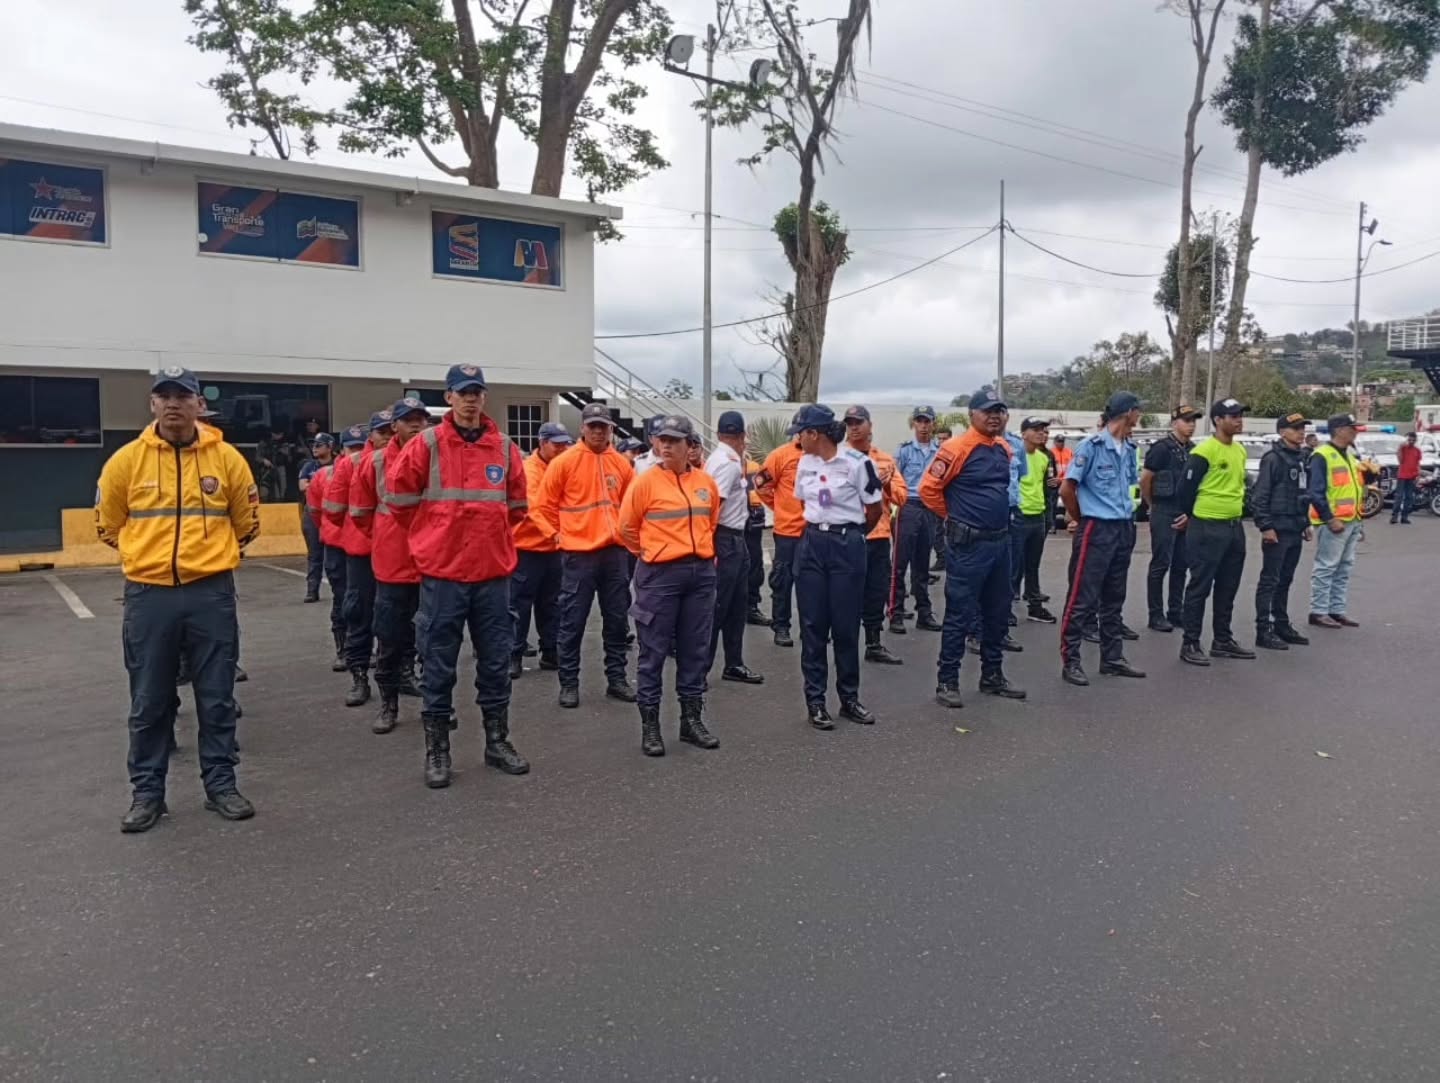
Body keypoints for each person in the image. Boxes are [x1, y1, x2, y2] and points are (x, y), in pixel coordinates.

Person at [96, 366, 260, 833]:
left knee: (216, 697)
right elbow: (108, 525)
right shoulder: (125, 462)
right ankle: (147, 795)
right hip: (150, 596)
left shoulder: (227, 459)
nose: (173, 404)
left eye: (182, 396)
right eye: (164, 396)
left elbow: (247, 522)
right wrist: (144, 556)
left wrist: (208, 559)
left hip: (211, 594)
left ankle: (221, 786)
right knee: (149, 701)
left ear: (198, 405)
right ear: (151, 404)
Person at [384, 364, 530, 788]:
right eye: (462, 392)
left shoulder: (504, 448)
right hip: (443, 576)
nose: (470, 399)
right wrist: (433, 537)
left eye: (477, 392)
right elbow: (399, 502)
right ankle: (438, 751)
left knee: (496, 662)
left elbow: (517, 508)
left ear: (484, 398)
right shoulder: (426, 444)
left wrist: (489, 540)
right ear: (448, 397)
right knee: (437, 663)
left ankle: (497, 741)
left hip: (491, 575)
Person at [619, 415, 722, 756]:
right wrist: (652, 552)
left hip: (700, 573)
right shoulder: (644, 483)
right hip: (659, 575)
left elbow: (711, 521)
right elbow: (627, 529)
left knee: (695, 649)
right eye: (661, 439)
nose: (665, 445)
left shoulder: (706, 482)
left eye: (674, 440)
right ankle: (650, 727)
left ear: (689, 445)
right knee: (653, 652)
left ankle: (691, 721)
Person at [921, 389, 1027, 709]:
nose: (994, 416)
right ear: (972, 415)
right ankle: (947, 680)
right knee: (960, 613)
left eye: (999, 411)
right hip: (968, 544)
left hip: (1000, 541)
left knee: (997, 613)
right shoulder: (955, 448)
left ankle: (992, 676)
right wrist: (955, 518)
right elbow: (929, 489)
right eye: (987, 411)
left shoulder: (1004, 448)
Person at [533, 401, 637, 707]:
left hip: (615, 554)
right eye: (592, 426)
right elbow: (541, 507)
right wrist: (555, 535)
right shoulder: (564, 463)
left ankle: (616, 678)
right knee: (572, 621)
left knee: (617, 620)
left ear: (610, 430)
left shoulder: (620, 463)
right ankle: (569, 682)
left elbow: (633, 506)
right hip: (579, 556)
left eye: (602, 427)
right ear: (582, 428)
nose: (597, 431)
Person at [790, 405, 884, 728]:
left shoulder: (858, 463)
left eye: (801, 433)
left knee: (845, 627)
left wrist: (852, 535)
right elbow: (806, 502)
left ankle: (849, 698)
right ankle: (815, 701)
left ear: (814, 434)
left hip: (847, 545)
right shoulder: (804, 462)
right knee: (813, 626)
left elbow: (874, 509)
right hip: (813, 544)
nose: (798, 439)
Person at [1055, 393, 1146, 687]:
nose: (1139, 417)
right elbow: (1068, 488)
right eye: (1137, 412)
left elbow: (1131, 486)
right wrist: (1081, 520)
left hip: (1122, 527)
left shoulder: (1130, 448)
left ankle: (1112, 657)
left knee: (1114, 597)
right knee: (1082, 597)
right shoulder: (1090, 447)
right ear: (1129, 412)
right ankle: (1071, 660)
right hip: (1097, 527)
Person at [351, 397, 428, 733]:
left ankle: (430, 700)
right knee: (390, 637)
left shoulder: (436, 457)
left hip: (431, 564)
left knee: (431, 639)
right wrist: (387, 537)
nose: (415, 425)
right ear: (393, 426)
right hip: (392, 565)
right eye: (408, 420)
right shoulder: (376, 462)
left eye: (420, 420)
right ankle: (388, 703)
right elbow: (360, 512)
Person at [1175, 398, 1256, 666]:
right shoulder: (1204, 451)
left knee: (1228, 586)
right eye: (1232, 416)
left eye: (1240, 415)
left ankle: (1222, 639)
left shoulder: (1240, 450)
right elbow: (1185, 490)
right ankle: (1190, 642)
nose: (1238, 420)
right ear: (1218, 420)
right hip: (1207, 526)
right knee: (1200, 586)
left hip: (1233, 527)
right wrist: (1192, 516)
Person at [329, 412, 392, 707]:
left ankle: (398, 674)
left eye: (392, 430)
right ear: (371, 436)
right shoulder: (351, 463)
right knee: (359, 614)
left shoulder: (410, 459)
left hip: (398, 554)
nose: (388, 436)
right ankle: (359, 676)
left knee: (397, 618)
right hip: (363, 552)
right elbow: (331, 509)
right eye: (382, 431)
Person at [842, 405, 908, 665]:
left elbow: (902, 497)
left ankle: (873, 643)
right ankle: (844, 643)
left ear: (870, 425)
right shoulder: (839, 458)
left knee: (876, 592)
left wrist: (888, 482)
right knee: (845, 592)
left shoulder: (885, 459)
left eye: (859, 422)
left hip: (878, 537)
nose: (854, 427)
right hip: (849, 535)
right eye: (850, 423)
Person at [705, 410, 766, 685]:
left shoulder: (725, 458)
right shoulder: (727, 463)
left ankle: (734, 663)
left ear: (720, 434)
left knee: (737, 605)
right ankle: (701, 670)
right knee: (719, 607)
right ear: (742, 436)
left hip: (735, 539)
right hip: (725, 539)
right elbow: (712, 505)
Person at [510, 422, 573, 679]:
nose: (561, 448)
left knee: (553, 604)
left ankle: (550, 651)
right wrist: (555, 534)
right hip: (527, 548)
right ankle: (513, 655)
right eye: (556, 444)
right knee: (518, 605)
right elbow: (534, 509)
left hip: (555, 548)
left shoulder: (563, 466)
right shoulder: (530, 470)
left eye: (564, 444)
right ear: (542, 443)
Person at [1251, 412, 1313, 651]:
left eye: (1302, 428)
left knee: (1285, 580)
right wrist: (1265, 526)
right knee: (1270, 580)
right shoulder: (1273, 459)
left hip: (1294, 528)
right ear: (1282, 432)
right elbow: (1260, 496)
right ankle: (1263, 630)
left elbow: (1301, 494)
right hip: (1277, 529)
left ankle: (1281, 624)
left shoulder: (1301, 458)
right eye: (1296, 428)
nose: (1301, 432)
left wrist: (1305, 522)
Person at [1139, 406, 1200, 632]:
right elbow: (1146, 479)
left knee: (1180, 565)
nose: (1191, 425)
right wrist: (1152, 505)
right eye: (1186, 421)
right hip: (1164, 509)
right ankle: (1155, 614)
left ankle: (1176, 611)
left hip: (1185, 511)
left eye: (1193, 421)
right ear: (1174, 423)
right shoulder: (1161, 449)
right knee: (1160, 564)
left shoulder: (1193, 450)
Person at [1307, 413, 1367, 630]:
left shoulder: (1349, 456)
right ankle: (1319, 611)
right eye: (1352, 427)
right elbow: (1316, 492)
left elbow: (1355, 488)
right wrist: (1329, 518)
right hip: (1333, 522)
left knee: (1343, 568)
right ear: (1339, 429)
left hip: (1351, 520)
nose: (1355, 431)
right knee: (1326, 566)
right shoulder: (1322, 455)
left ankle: (1336, 610)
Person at [890, 405, 943, 635]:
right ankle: (896, 613)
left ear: (933, 424)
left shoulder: (940, 452)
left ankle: (924, 612)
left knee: (922, 563)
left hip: (929, 508)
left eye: (927, 421)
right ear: (914, 424)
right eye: (919, 421)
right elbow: (893, 480)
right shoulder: (904, 451)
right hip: (908, 506)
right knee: (899, 564)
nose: (923, 425)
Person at [314, 426, 363, 672]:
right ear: (341, 450)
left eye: (360, 447)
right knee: (342, 599)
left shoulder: (372, 470)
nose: (356, 452)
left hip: (362, 547)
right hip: (336, 546)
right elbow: (315, 511)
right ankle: (343, 650)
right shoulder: (324, 475)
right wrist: (330, 531)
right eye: (351, 447)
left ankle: (364, 649)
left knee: (364, 602)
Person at [756, 421, 806, 648]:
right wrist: (782, 508)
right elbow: (762, 486)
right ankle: (781, 626)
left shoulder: (823, 456)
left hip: (816, 531)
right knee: (782, 581)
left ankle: (811, 628)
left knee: (813, 583)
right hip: (788, 531)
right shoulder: (781, 456)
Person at [1013, 417, 1058, 623]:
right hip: (1019, 516)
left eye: (1043, 429)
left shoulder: (1043, 458)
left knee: (1033, 565)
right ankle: (1004, 608)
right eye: (1036, 429)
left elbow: (1043, 488)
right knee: (1013, 565)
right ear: (1024, 434)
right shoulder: (1014, 456)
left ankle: (1034, 605)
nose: (1041, 433)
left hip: (1038, 516)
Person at [297, 433, 334, 603]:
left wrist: (315, 485)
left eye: (319, 445)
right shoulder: (308, 466)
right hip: (312, 513)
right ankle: (312, 590)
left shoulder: (339, 464)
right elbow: (303, 486)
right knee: (314, 554)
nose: (315, 448)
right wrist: (325, 485)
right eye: (314, 445)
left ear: (329, 447)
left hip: (333, 513)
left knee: (334, 555)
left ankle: (338, 589)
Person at [744, 457, 770, 625]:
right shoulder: (714, 465)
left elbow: (768, 489)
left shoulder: (754, 467)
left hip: (753, 524)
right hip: (730, 526)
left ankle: (751, 607)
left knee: (755, 567)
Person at [930, 425, 953, 572]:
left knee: (951, 531)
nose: (942, 441)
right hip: (937, 500)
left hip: (951, 499)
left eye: (945, 438)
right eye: (939, 439)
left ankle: (949, 558)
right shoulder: (934, 455)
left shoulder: (956, 454)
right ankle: (942, 557)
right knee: (936, 532)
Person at [1392, 431, 1422, 524]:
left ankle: (1404, 517)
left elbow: (1418, 463)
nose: (1411, 441)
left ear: (1415, 440)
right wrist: (1400, 448)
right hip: (1402, 476)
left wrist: (1418, 474)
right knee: (1399, 496)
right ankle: (1394, 516)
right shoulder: (1403, 448)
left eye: (1413, 439)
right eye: (1410, 439)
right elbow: (1400, 460)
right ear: (1407, 439)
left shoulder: (1417, 451)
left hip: (1412, 476)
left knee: (1409, 497)